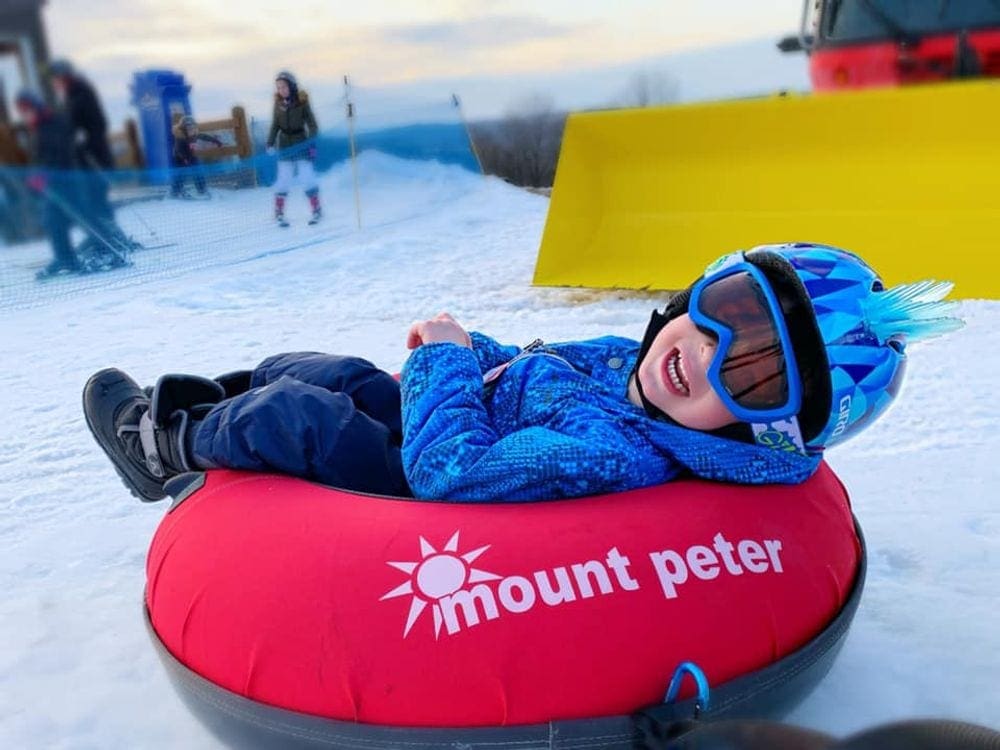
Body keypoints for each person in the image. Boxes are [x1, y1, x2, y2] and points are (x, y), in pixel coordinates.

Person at [82, 243, 963, 503]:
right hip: (463, 414)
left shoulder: (611, 454)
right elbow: (540, 368)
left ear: (754, 430)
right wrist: (475, 351)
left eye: (758, 378)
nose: (706, 355)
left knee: (299, 415)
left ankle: (161, 447)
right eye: (728, 312)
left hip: (424, 481)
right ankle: (212, 428)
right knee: (321, 368)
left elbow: (447, 474)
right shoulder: (636, 366)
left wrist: (448, 368)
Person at [47, 58, 133, 254]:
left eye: (56, 78)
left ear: (64, 75)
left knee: (95, 199)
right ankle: (107, 236)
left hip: (94, 159)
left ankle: (108, 239)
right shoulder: (72, 94)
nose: (54, 83)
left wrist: (85, 139)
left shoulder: (81, 93)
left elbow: (97, 123)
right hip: (84, 159)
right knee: (92, 199)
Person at [14, 90, 84, 278]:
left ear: (35, 107)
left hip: (63, 181)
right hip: (53, 182)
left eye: (26, 110)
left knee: (65, 218)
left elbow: (59, 154)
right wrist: (35, 176)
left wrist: (44, 175)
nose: (24, 115)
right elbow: (41, 157)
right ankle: (66, 259)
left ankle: (98, 249)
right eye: (22, 112)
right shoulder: (39, 127)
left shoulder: (51, 124)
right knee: (54, 221)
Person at [266, 70, 322, 226]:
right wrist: (270, 142)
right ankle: (279, 211)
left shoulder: (302, 102)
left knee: (306, 176)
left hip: (301, 142)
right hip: (284, 144)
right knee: (284, 177)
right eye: (278, 87)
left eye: (284, 86)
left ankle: (316, 208)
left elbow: (312, 125)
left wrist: (310, 143)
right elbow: (275, 125)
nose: (281, 90)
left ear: (291, 86)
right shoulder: (278, 104)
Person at [170, 115, 223, 198]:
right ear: (183, 128)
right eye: (188, 126)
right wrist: (184, 159)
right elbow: (179, 149)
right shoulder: (180, 137)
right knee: (180, 175)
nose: (190, 128)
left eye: (192, 126)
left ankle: (202, 189)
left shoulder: (194, 133)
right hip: (179, 158)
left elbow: (203, 136)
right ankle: (176, 191)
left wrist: (216, 141)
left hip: (191, 156)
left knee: (198, 172)